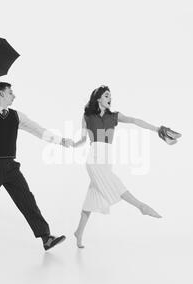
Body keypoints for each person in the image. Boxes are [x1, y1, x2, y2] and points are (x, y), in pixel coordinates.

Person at [0, 82, 73, 252]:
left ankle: (46, 238)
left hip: (10, 166)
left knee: (27, 200)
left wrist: (60, 140)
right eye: (10, 92)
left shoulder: (16, 115)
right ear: (1, 94)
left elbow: (37, 129)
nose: (14, 95)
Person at [72, 85, 181, 248]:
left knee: (93, 195)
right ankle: (141, 206)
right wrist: (72, 144)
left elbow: (135, 120)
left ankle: (79, 232)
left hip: (107, 159)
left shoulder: (114, 116)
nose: (110, 98)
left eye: (110, 96)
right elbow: (82, 139)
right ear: (98, 98)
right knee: (115, 182)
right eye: (107, 95)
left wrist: (157, 129)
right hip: (94, 158)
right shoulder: (87, 116)